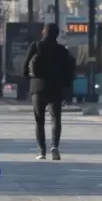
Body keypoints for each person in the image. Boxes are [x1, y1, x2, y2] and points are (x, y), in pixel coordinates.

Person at [23, 23, 74, 160]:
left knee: (39, 120)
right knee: (56, 119)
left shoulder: (35, 46)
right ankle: (55, 146)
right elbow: (70, 69)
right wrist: (66, 87)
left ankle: (41, 151)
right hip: (56, 88)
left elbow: (25, 66)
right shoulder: (62, 50)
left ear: (44, 32)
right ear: (57, 34)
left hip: (37, 87)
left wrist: (30, 80)